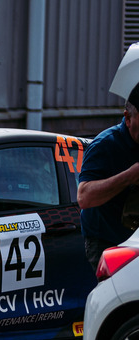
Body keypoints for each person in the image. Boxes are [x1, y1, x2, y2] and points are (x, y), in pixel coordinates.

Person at [77, 81, 139, 272]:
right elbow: (84, 197)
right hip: (107, 243)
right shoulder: (105, 144)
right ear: (127, 118)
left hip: (134, 241)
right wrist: (129, 176)